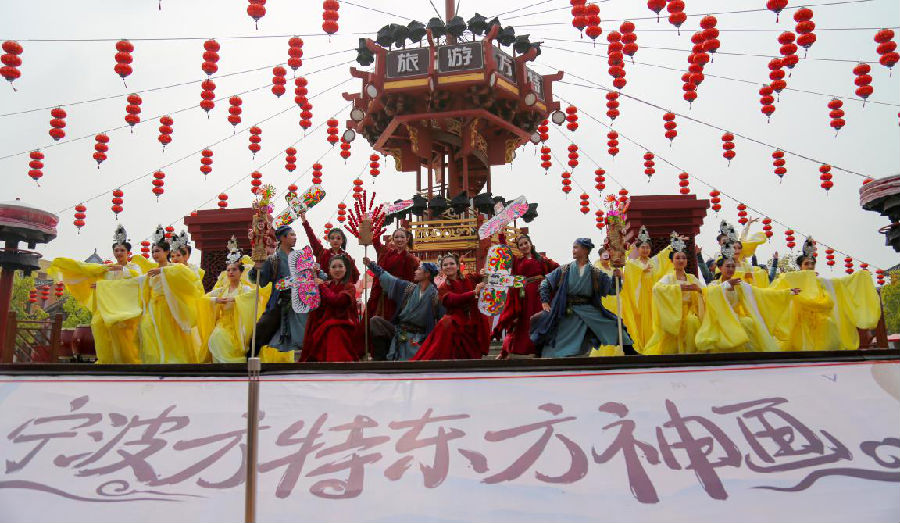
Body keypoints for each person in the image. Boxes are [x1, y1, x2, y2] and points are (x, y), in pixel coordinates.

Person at [48, 224, 143, 364]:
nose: (119, 253)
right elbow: (86, 269)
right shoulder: (107, 269)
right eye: (116, 250)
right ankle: (106, 360)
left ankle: (128, 360)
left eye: (122, 250)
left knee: (122, 332)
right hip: (108, 307)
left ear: (129, 253)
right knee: (97, 323)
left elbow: (137, 281)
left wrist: (109, 280)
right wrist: (64, 265)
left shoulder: (133, 268)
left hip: (127, 307)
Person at [770, 237, 880, 351]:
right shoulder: (793, 279)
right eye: (806, 264)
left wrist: (860, 276)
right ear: (800, 266)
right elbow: (779, 287)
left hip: (820, 322)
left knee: (829, 327)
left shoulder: (821, 282)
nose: (810, 266)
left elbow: (841, 283)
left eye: (812, 264)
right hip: (799, 321)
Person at [531, 238, 632, 358]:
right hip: (567, 310)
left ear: (585, 250)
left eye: (576, 247)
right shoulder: (565, 270)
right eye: (573, 247)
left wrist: (616, 278)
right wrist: (545, 301)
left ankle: (630, 350)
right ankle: (543, 354)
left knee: (613, 324)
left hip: (589, 309)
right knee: (546, 327)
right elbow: (545, 283)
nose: (573, 250)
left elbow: (612, 289)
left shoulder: (595, 273)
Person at [696, 246, 799, 353]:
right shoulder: (714, 284)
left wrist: (787, 292)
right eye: (728, 266)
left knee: (748, 322)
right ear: (720, 268)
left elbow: (762, 293)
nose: (731, 269)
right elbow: (707, 293)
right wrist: (726, 285)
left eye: (733, 266)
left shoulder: (739, 285)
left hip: (736, 316)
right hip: (719, 319)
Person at [138, 225, 206, 364]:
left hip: (169, 307)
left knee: (169, 335)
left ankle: (172, 362)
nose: (155, 254)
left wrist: (163, 271)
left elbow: (188, 276)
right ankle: (155, 361)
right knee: (146, 328)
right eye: (153, 251)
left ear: (167, 251)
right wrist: (106, 286)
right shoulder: (152, 270)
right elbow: (137, 283)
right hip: (153, 308)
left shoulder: (174, 268)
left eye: (158, 251)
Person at [412, 253, 490, 361]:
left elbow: (486, 278)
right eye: (445, 265)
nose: (448, 266)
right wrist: (473, 293)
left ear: (457, 266)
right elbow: (453, 300)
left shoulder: (469, 278)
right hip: (454, 326)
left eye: (451, 264)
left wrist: (484, 273)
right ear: (442, 269)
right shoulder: (443, 287)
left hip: (473, 322)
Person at [493, 234, 560, 359]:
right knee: (521, 322)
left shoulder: (542, 260)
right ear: (518, 248)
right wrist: (501, 236)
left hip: (540, 295)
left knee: (541, 320)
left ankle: (540, 349)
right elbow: (506, 252)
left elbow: (557, 269)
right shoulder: (518, 261)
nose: (524, 246)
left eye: (526, 243)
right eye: (521, 245)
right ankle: (507, 350)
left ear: (530, 243)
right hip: (524, 296)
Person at [363, 256, 442, 361]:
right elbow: (389, 279)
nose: (415, 272)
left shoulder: (435, 296)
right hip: (400, 330)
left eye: (419, 269)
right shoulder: (409, 288)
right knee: (376, 321)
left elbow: (441, 318)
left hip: (419, 336)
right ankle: (380, 360)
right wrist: (372, 265)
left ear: (427, 274)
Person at [202, 240, 268, 363]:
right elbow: (203, 299)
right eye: (228, 270)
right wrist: (216, 300)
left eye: (234, 270)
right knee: (216, 337)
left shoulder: (245, 289)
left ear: (241, 272)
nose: (230, 272)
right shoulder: (221, 290)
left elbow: (255, 294)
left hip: (238, 325)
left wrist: (236, 299)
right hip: (223, 324)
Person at [248, 225, 308, 356]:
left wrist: (320, 277)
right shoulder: (273, 260)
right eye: (292, 235)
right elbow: (261, 281)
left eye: (294, 234)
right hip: (280, 301)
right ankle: (249, 359)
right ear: (282, 238)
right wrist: (257, 267)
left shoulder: (300, 258)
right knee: (261, 332)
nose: (295, 237)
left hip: (300, 301)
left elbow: (312, 275)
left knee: (309, 334)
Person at [642, 233, 706, 355]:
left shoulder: (691, 278)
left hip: (689, 312)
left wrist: (698, 289)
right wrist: (678, 288)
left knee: (692, 322)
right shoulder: (668, 278)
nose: (681, 260)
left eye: (683, 258)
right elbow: (657, 289)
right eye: (678, 258)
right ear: (672, 261)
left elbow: (705, 290)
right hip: (673, 312)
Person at [364, 227, 420, 360]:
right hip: (384, 298)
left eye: (402, 237)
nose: (399, 239)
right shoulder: (388, 254)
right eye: (396, 237)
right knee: (379, 323)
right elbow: (376, 243)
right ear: (392, 239)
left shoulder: (411, 259)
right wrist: (373, 226)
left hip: (400, 299)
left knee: (396, 325)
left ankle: (397, 354)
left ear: (407, 239)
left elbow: (411, 282)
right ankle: (381, 356)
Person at [299, 255, 360, 362]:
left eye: (340, 266)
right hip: (325, 323)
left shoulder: (349, 287)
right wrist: (313, 275)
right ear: (329, 270)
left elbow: (337, 301)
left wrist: (321, 286)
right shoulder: (326, 285)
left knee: (333, 330)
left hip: (345, 324)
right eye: (334, 267)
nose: (337, 270)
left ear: (346, 269)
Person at [620, 226, 672, 353]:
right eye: (642, 247)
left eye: (647, 247)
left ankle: (653, 346)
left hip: (653, 296)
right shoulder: (633, 263)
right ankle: (641, 345)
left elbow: (663, 256)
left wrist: (673, 245)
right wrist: (641, 270)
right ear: (637, 249)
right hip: (640, 297)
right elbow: (628, 271)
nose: (645, 250)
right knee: (642, 319)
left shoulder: (653, 262)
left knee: (654, 318)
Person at [300, 210, 360, 283]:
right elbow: (312, 238)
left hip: (343, 289)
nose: (335, 240)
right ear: (328, 240)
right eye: (332, 238)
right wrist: (305, 222)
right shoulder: (322, 253)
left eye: (338, 238)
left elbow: (355, 275)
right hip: (325, 288)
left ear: (342, 240)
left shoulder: (347, 257)